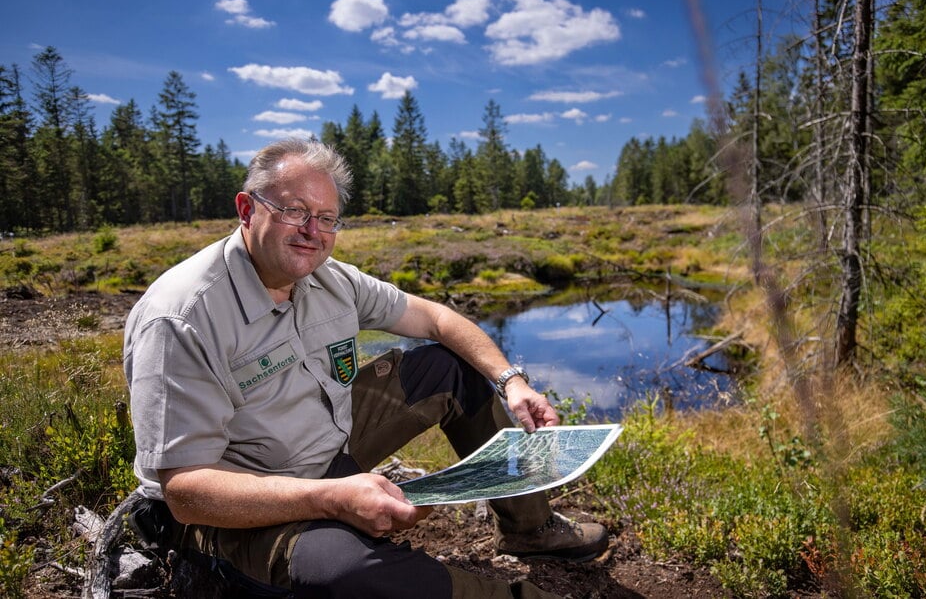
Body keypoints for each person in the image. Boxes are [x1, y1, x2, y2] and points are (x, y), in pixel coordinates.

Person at [123, 138, 609, 598]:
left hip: (331, 445)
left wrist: (512, 382)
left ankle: (531, 528)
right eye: (294, 211)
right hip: (240, 505)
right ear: (247, 210)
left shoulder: (329, 278)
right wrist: (331, 498)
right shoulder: (182, 318)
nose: (313, 231)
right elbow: (187, 492)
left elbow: (437, 319)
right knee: (350, 575)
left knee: (448, 364)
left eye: (327, 217)